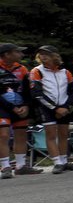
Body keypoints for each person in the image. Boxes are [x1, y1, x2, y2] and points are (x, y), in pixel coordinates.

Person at [29, 46, 73, 174]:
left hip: (64, 107)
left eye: (46, 54)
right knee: (51, 135)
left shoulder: (65, 72)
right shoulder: (37, 71)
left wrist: (66, 106)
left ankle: (64, 161)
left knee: (64, 135)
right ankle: (57, 162)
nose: (43, 56)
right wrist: (55, 108)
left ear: (55, 55)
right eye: (41, 54)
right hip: (47, 108)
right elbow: (37, 93)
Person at [0, 43, 42, 177]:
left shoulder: (22, 68)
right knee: (4, 135)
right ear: (7, 54)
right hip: (2, 106)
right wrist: (12, 107)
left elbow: (28, 90)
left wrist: (26, 105)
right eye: (17, 52)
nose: (21, 54)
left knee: (21, 134)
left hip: (21, 106)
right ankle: (5, 167)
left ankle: (20, 166)